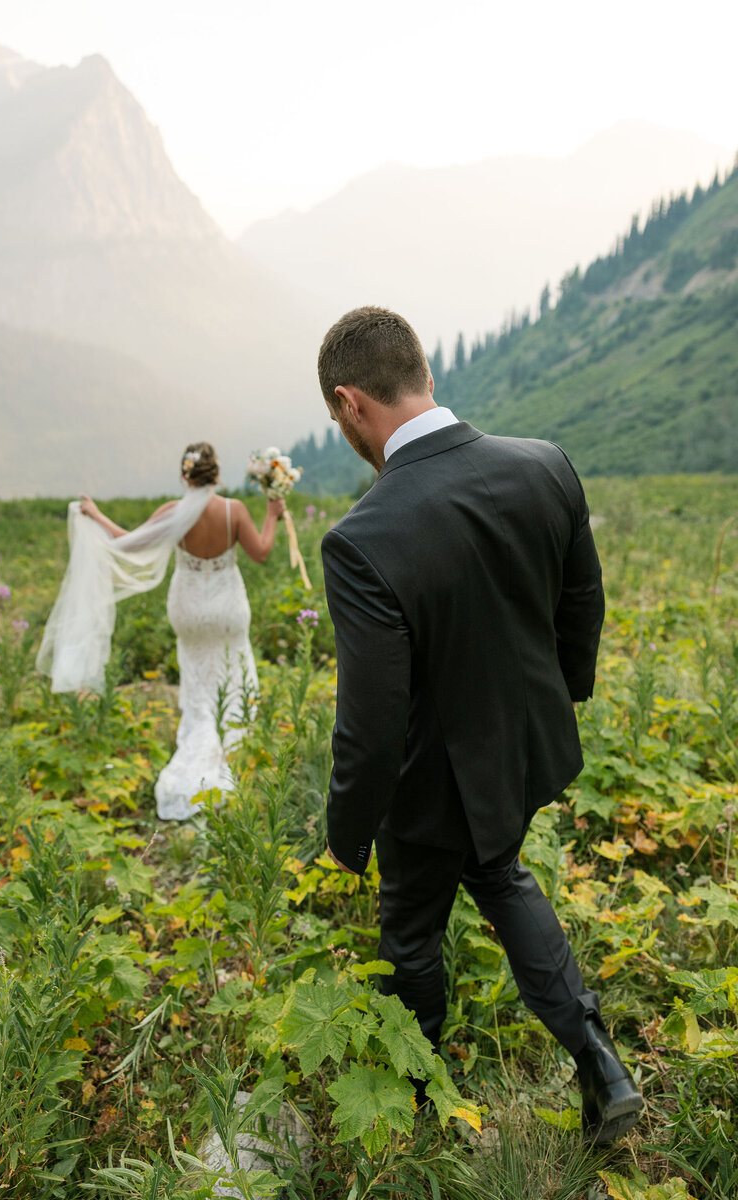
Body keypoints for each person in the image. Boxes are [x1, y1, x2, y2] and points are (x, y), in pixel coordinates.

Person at [317, 306, 643, 1145]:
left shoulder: (363, 537)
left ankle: (420, 1104)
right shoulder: (545, 467)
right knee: (498, 873)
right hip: (524, 746)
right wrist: (559, 696)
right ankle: (599, 1062)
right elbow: (582, 605)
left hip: (430, 777)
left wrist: (348, 834)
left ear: (353, 404)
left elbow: (374, 717)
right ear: (421, 371)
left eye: (339, 418)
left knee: (412, 931)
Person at [37, 441, 283, 820]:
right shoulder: (235, 511)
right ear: (216, 474)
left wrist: (97, 515)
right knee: (234, 669)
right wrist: (272, 513)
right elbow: (262, 552)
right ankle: (234, 743)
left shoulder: (174, 513)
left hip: (187, 609)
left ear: (185, 474)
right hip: (227, 609)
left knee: (199, 674)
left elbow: (127, 543)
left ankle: (199, 738)